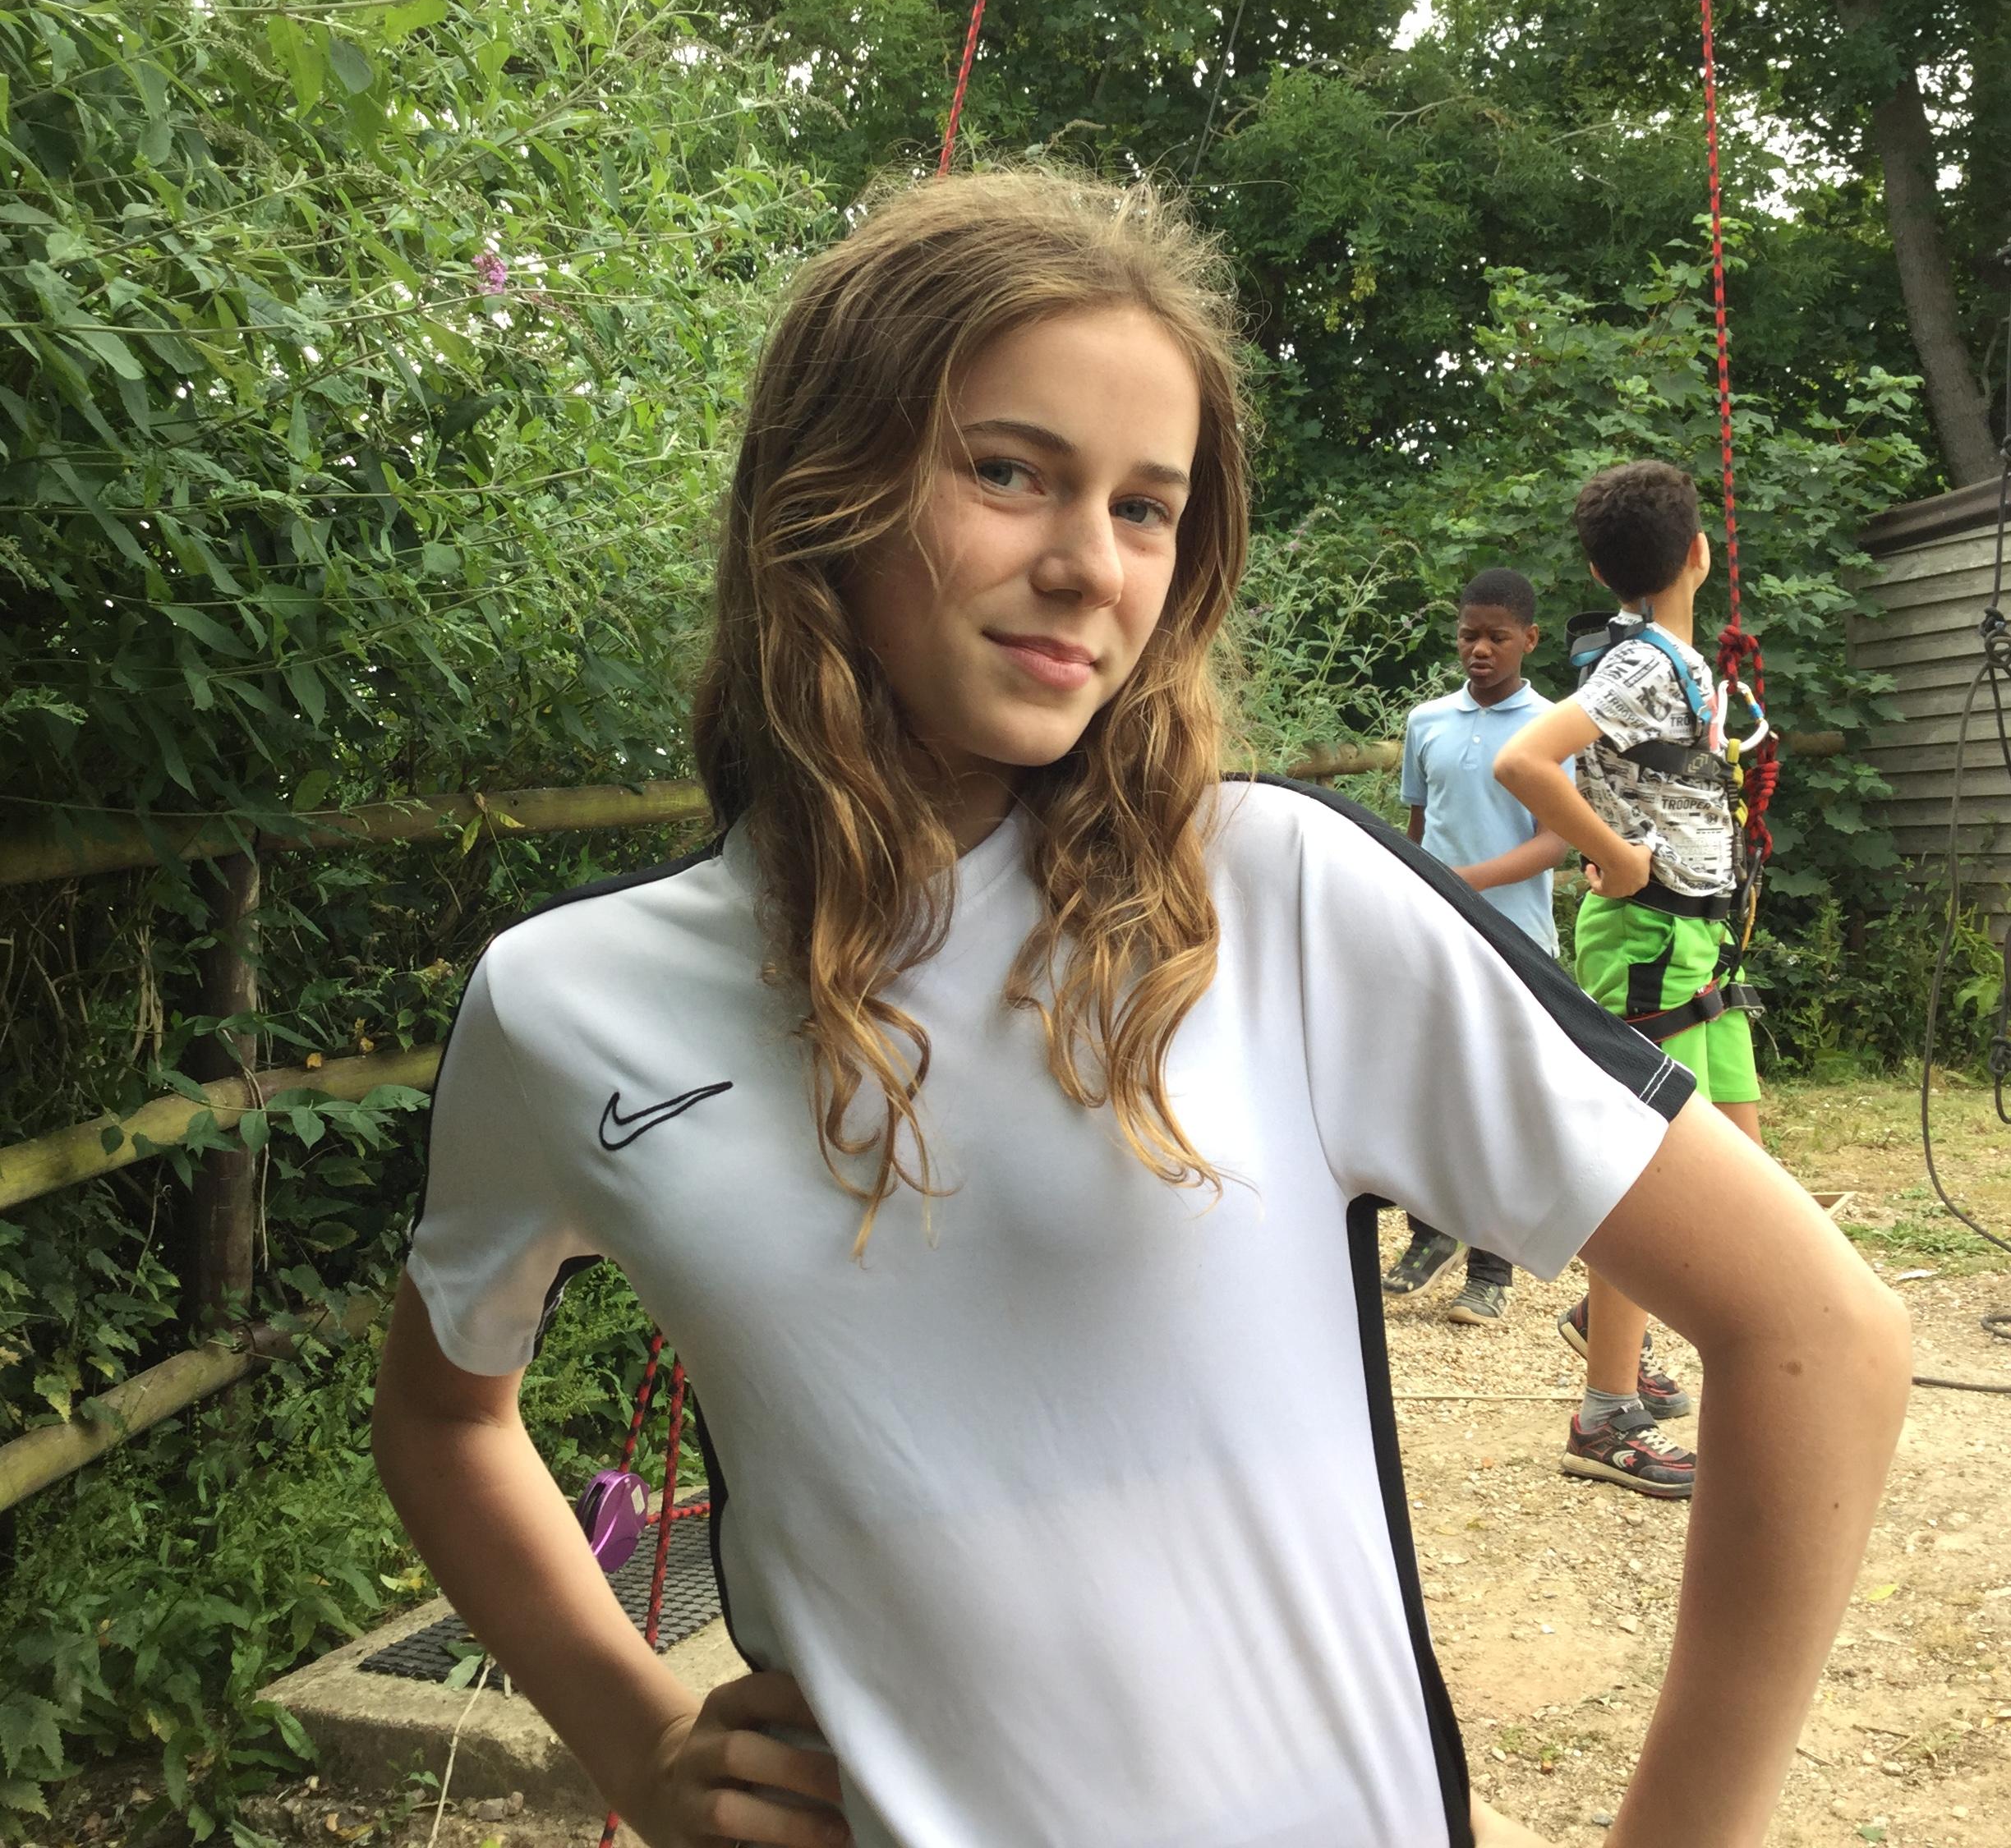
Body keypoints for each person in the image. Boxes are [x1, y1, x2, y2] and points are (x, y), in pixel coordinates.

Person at [371, 174, 1909, 1848]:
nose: (1087, 565)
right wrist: (635, 1742)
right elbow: (444, 1419)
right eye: (1006, 470)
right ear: (821, 486)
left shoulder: (1271, 896)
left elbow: (1817, 1334)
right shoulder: (568, 1006)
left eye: (1146, 506)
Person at [1495, 458, 1772, 1501]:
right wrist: (1611, 853)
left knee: (1740, 1167)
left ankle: (1612, 1314)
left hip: (1699, 947)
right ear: (1698, 552)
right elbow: (1525, 762)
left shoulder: (1677, 663)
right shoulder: (1640, 666)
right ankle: (1606, 1413)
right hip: (1650, 939)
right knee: (1645, 1169)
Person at [1384, 567, 1572, 1325]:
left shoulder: (1553, 727)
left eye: (1497, 637)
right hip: (1434, 933)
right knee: (1423, 1088)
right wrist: (1414, 892)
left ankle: (1492, 1271)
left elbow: (1557, 841)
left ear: (1529, 639)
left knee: (1500, 1099)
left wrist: (1467, 881)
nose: (1480, 650)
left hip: (1516, 940)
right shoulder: (1427, 721)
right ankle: (1429, 1232)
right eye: (1468, 636)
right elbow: (1418, 829)